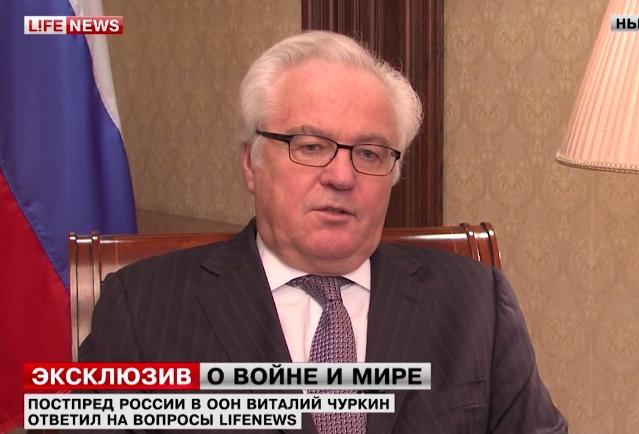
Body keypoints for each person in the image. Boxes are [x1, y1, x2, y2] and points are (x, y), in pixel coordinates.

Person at [80, 31, 567, 434]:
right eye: (311, 146)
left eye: (370, 153)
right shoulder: (143, 308)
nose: (342, 176)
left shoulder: (476, 303)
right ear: (251, 163)